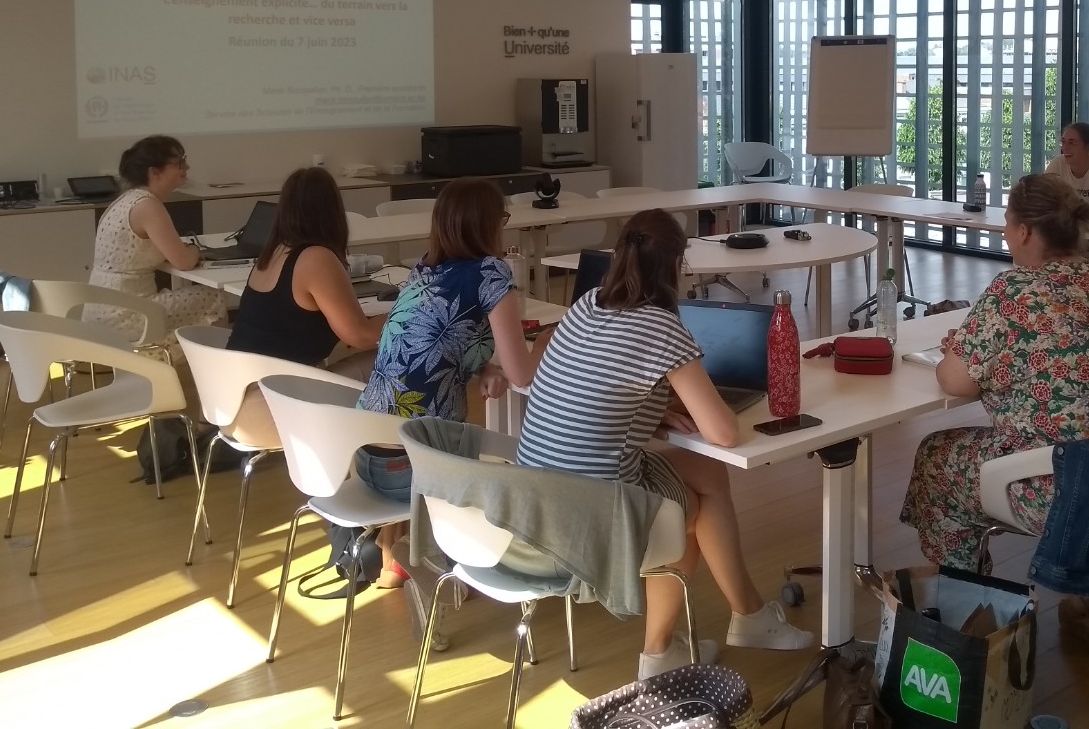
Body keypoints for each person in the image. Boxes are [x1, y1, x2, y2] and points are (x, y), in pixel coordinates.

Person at [516, 209, 812, 679]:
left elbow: (595, 390)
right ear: (676, 264)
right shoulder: (660, 326)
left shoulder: (588, 303)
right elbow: (722, 433)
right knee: (684, 514)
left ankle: (745, 617)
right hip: (595, 503)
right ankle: (666, 651)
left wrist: (646, 414)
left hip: (536, 491)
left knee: (709, 475)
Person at [900, 174, 1089, 657]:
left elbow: (954, 380)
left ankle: (965, 623)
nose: (1007, 235)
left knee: (937, 460)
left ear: (1026, 231)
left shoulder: (1014, 293)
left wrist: (960, 349)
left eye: (1008, 224)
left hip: (1068, 493)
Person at [358, 178, 545, 583]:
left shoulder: (424, 270)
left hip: (365, 457)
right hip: (414, 473)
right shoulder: (491, 273)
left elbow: (435, 344)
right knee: (516, 466)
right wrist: (552, 336)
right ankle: (437, 564)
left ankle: (395, 557)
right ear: (489, 224)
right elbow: (523, 374)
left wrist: (481, 366)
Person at [226, 167, 384, 372]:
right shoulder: (316, 258)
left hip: (236, 385)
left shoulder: (275, 251)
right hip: (279, 391)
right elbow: (361, 337)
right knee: (391, 358)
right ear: (333, 211)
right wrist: (404, 313)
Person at [87, 135, 225, 344]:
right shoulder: (147, 205)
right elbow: (184, 262)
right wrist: (194, 251)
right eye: (179, 163)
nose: (186, 167)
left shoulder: (123, 200)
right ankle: (217, 366)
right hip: (129, 315)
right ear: (154, 172)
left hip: (99, 311)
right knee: (213, 297)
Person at [1045, 122, 1089, 205]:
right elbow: (1043, 196)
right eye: (1063, 142)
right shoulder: (1058, 163)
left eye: (1072, 143)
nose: (1064, 148)